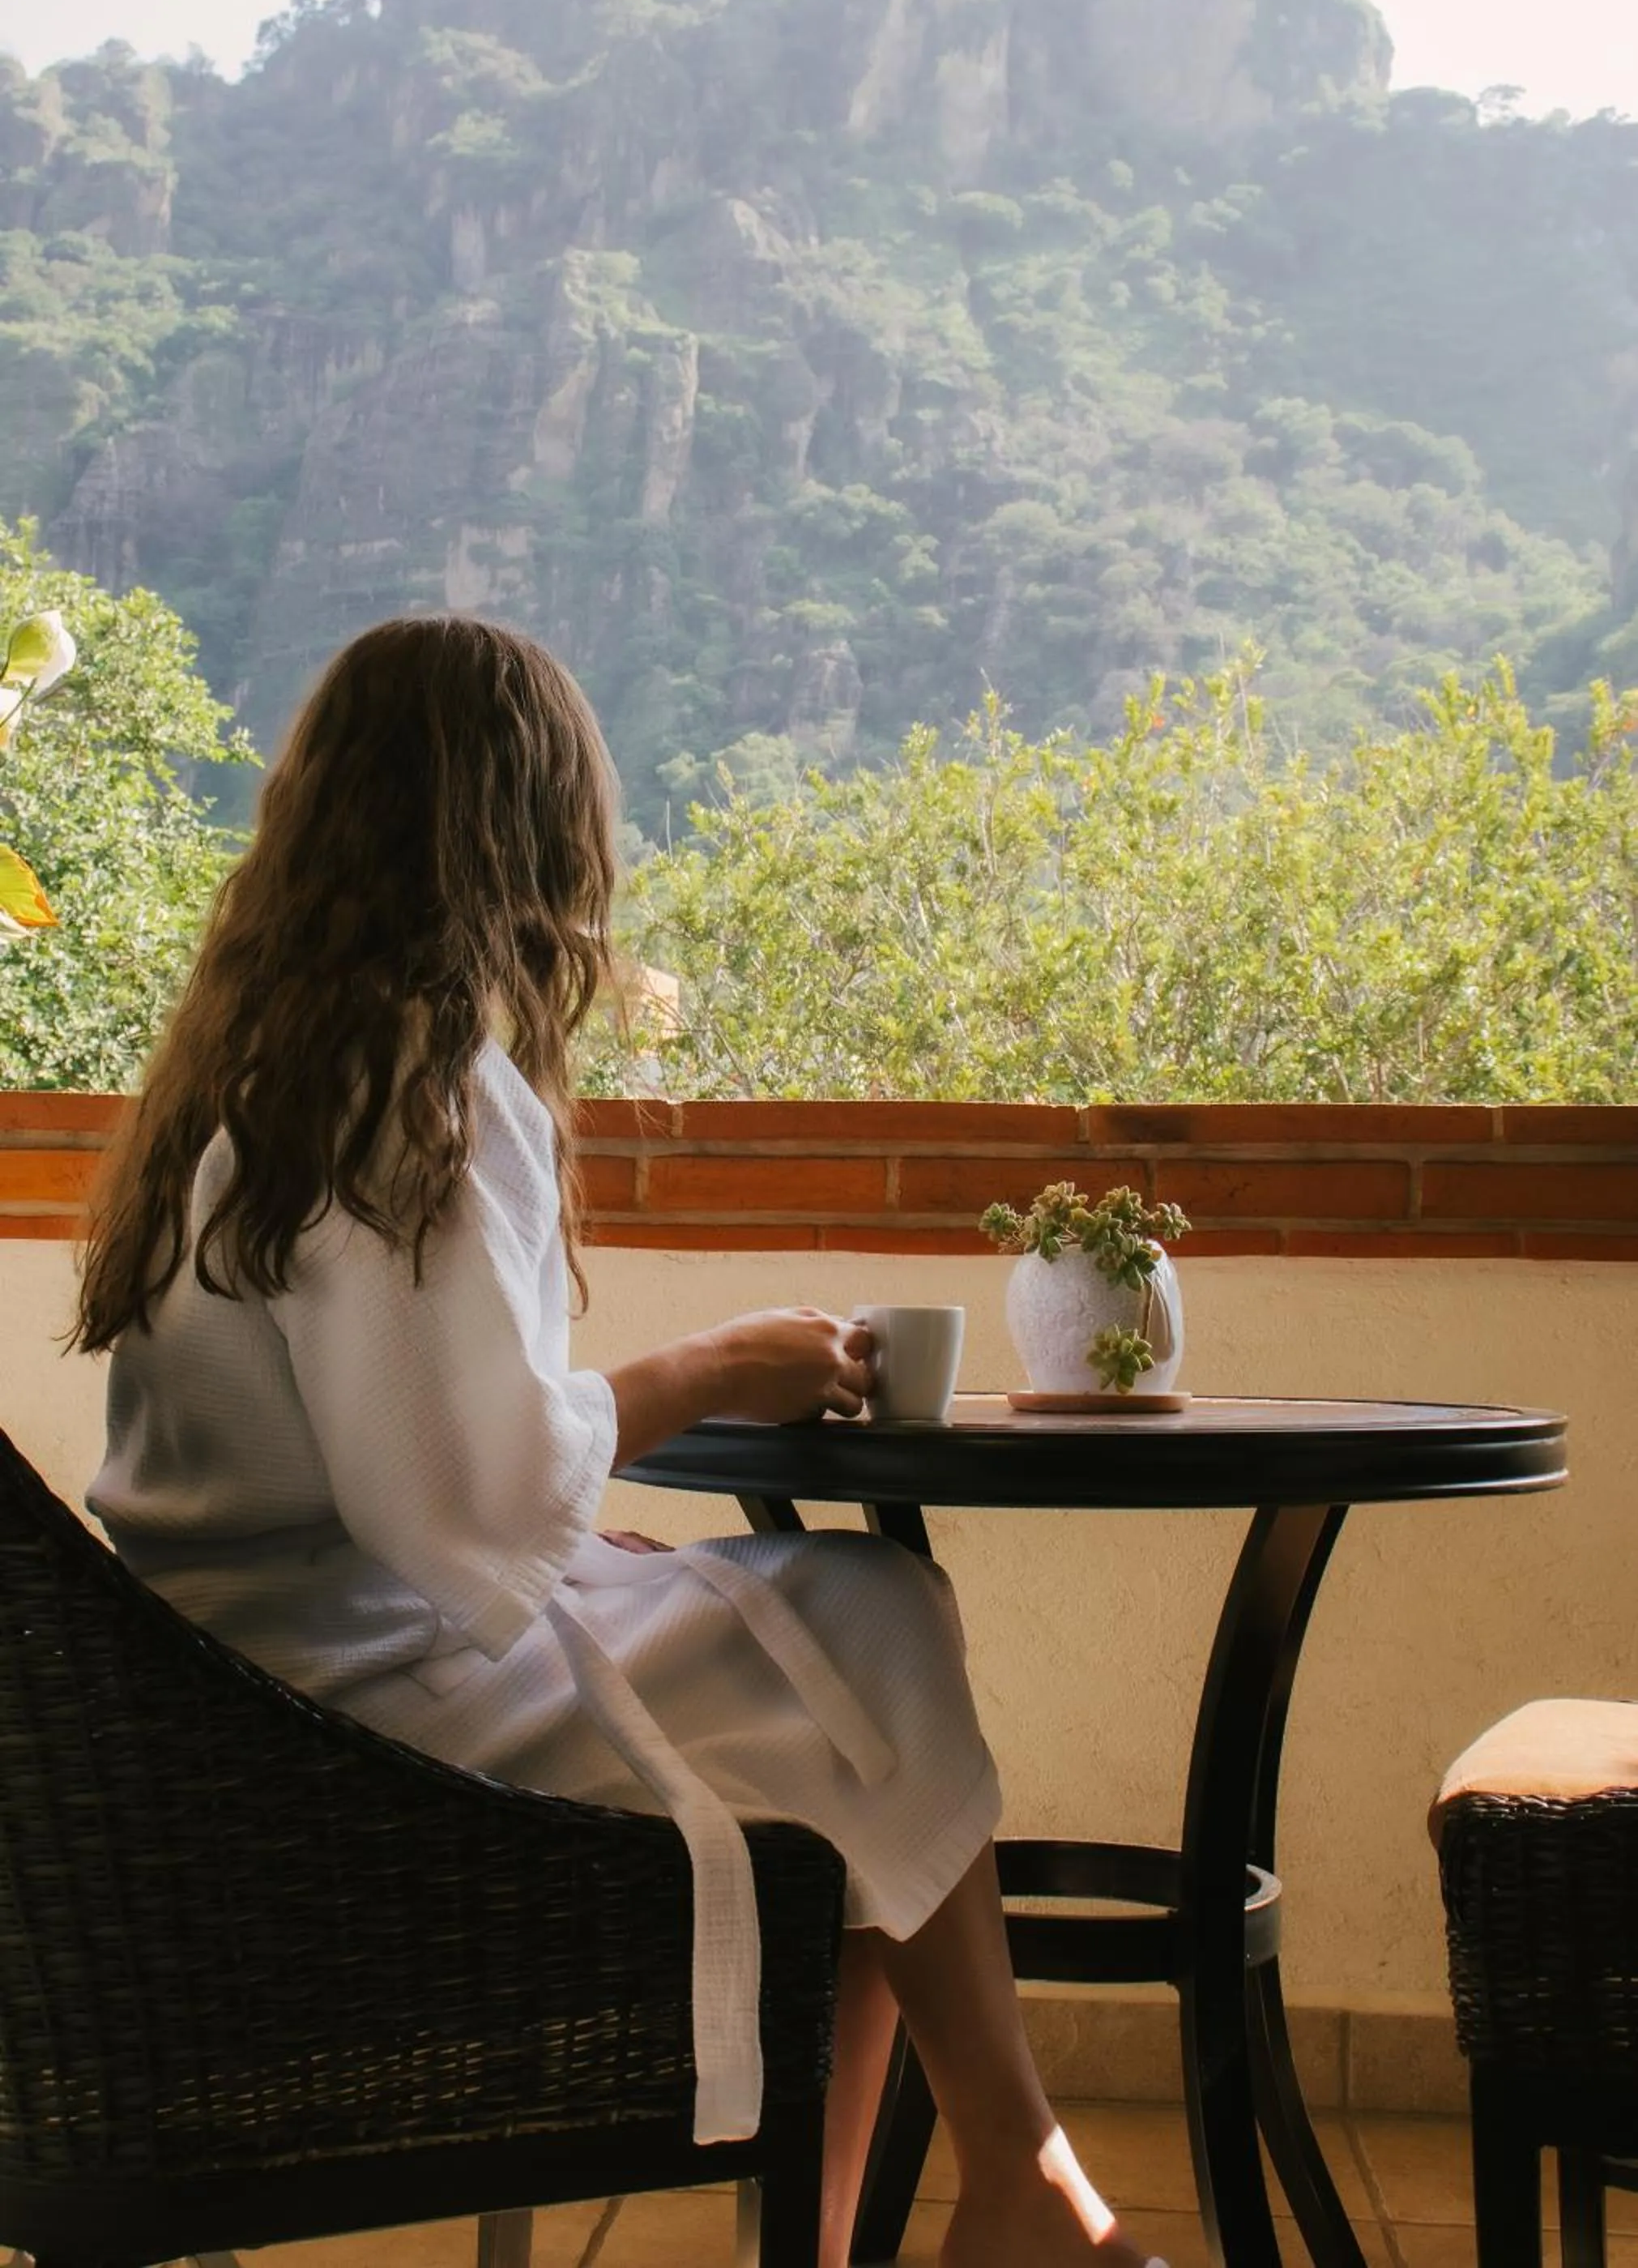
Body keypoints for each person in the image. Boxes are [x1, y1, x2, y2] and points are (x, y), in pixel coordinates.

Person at [75, 614, 1164, 2268]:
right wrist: (722, 1366)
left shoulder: (267, 1067)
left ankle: (980, 2192)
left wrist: (603, 1518)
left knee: (845, 1731)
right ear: (529, 828)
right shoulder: (409, 1076)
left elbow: (415, 1478)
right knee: (871, 1623)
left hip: (230, 1706)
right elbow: (478, 1491)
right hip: (359, 1734)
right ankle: (1012, 2183)